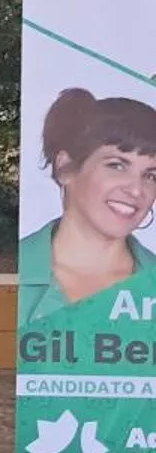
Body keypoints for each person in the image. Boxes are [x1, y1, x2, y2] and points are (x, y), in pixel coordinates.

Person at [19, 89, 156, 320]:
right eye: (117, 165)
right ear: (66, 168)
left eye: (151, 175)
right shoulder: (13, 269)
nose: (136, 190)